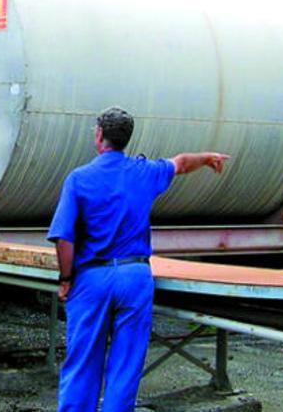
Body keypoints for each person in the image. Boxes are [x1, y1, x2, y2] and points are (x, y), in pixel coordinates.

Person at [48, 107, 230, 412]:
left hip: (93, 278)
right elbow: (181, 163)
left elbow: (64, 237)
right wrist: (208, 157)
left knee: (82, 361)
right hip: (135, 276)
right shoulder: (144, 172)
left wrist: (66, 279)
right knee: (126, 364)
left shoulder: (79, 179)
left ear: (99, 135)